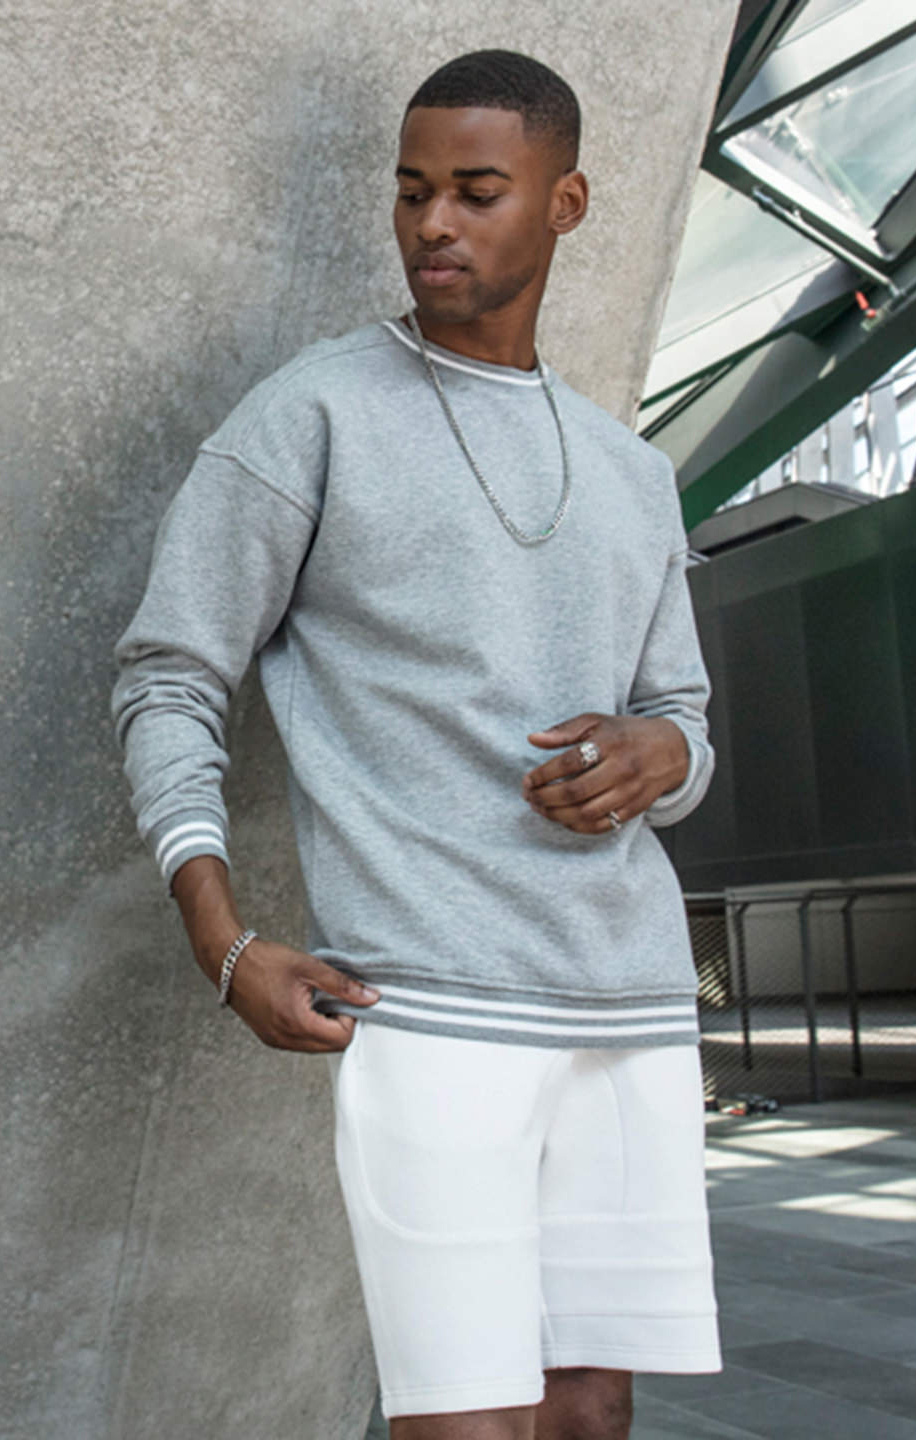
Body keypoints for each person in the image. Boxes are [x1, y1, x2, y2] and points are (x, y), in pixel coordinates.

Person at [112, 48, 720, 1440]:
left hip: (627, 1003)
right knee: (466, 1422)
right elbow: (168, 675)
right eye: (411, 191)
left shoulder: (633, 474)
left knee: (592, 1412)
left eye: (476, 192)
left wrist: (663, 756)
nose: (434, 223)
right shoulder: (310, 417)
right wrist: (221, 939)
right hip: (434, 1005)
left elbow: (685, 723)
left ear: (565, 203)